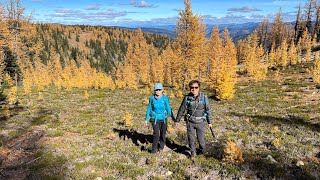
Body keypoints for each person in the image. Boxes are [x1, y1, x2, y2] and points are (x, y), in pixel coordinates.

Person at [175, 80, 212, 158]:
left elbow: (208, 110)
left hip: (201, 122)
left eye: (196, 87)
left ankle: (202, 151)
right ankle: (193, 153)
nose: (194, 89)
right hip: (190, 122)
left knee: (201, 140)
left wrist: (210, 121)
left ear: (199, 88)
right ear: (190, 88)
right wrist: (177, 120)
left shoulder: (204, 97)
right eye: (192, 87)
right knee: (191, 139)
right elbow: (181, 109)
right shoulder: (187, 98)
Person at [145, 83, 175, 154]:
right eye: (156, 90)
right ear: (154, 90)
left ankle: (161, 147)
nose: (158, 91)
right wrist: (146, 119)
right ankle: (153, 151)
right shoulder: (151, 98)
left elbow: (168, 108)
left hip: (163, 118)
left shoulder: (165, 98)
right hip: (155, 119)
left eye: (159, 89)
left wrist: (174, 119)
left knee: (163, 134)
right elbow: (149, 108)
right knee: (157, 134)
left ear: (162, 90)